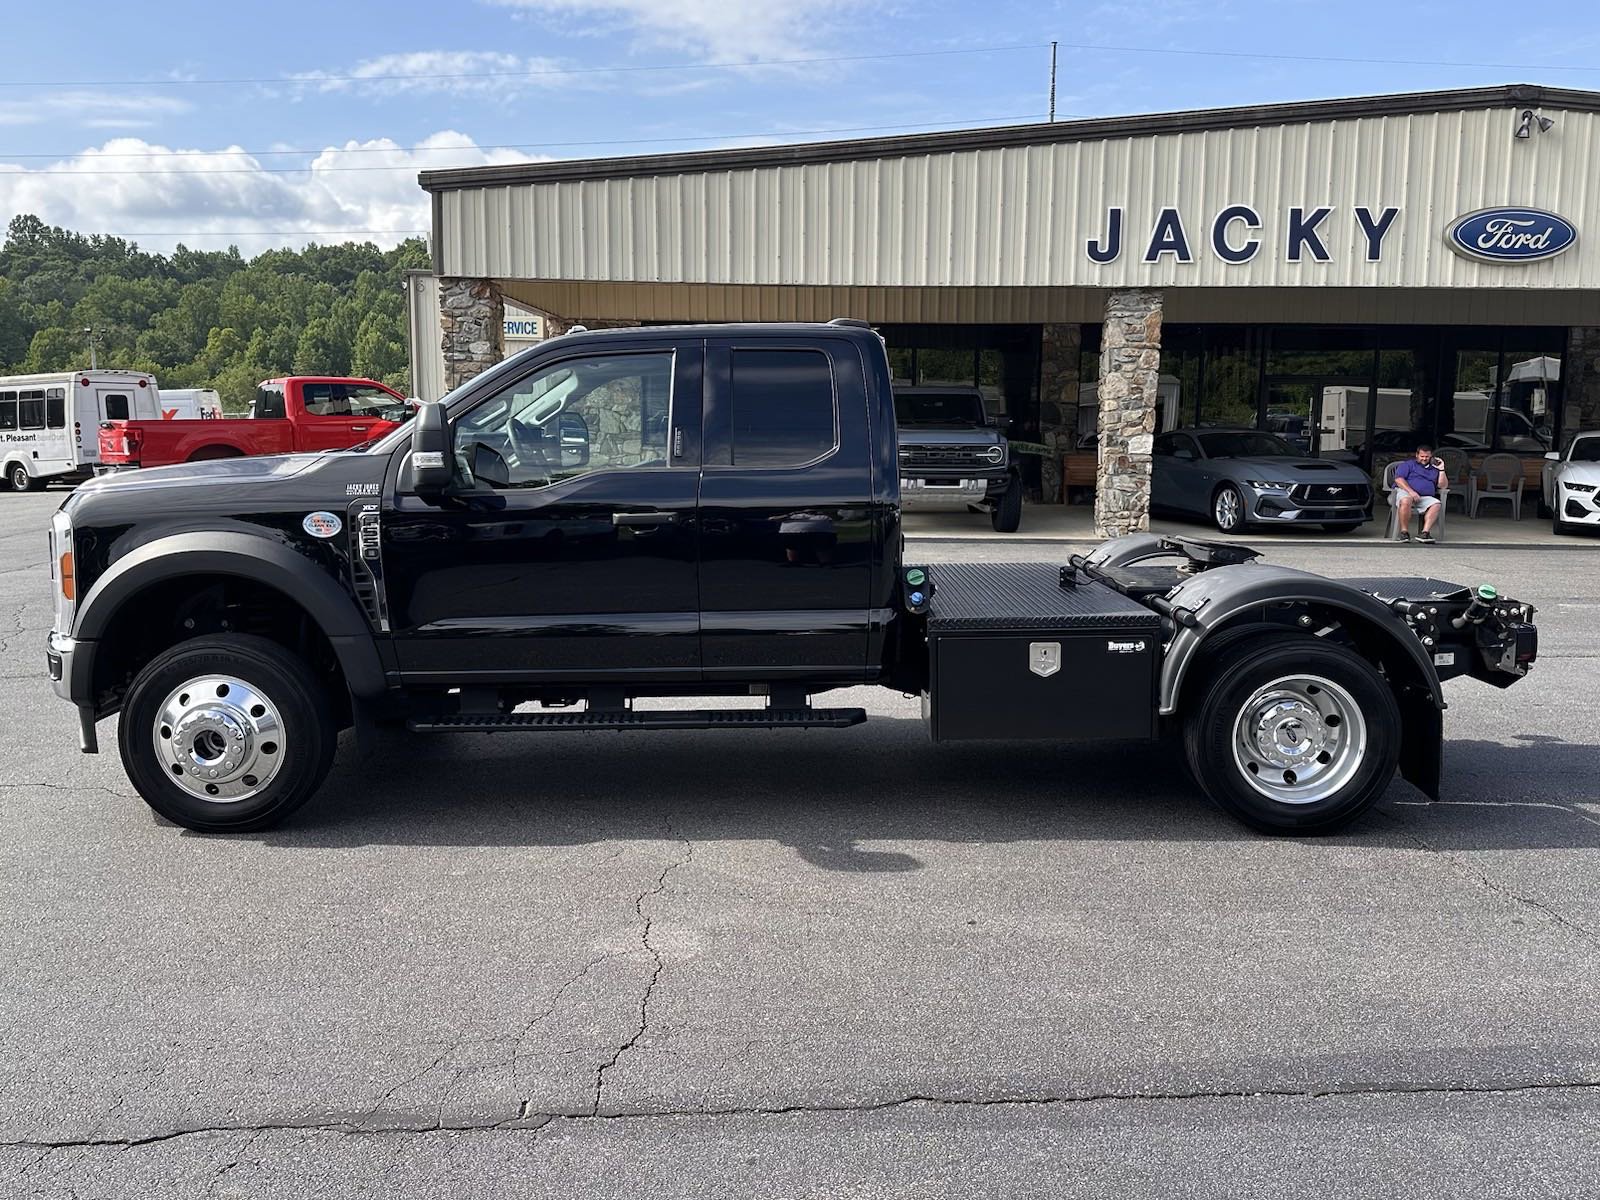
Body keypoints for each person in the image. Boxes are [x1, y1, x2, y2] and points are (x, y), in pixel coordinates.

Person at [1393, 443, 1447, 543]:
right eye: (1422, 456)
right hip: (1406, 493)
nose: (1424, 458)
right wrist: (1412, 492)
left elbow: (1442, 486)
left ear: (1431, 456)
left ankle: (1424, 533)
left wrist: (1442, 469)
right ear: (1417, 455)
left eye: (1427, 456)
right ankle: (1404, 533)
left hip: (1424, 497)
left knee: (1436, 504)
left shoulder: (1435, 468)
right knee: (1406, 500)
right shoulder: (1408, 464)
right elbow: (1399, 479)